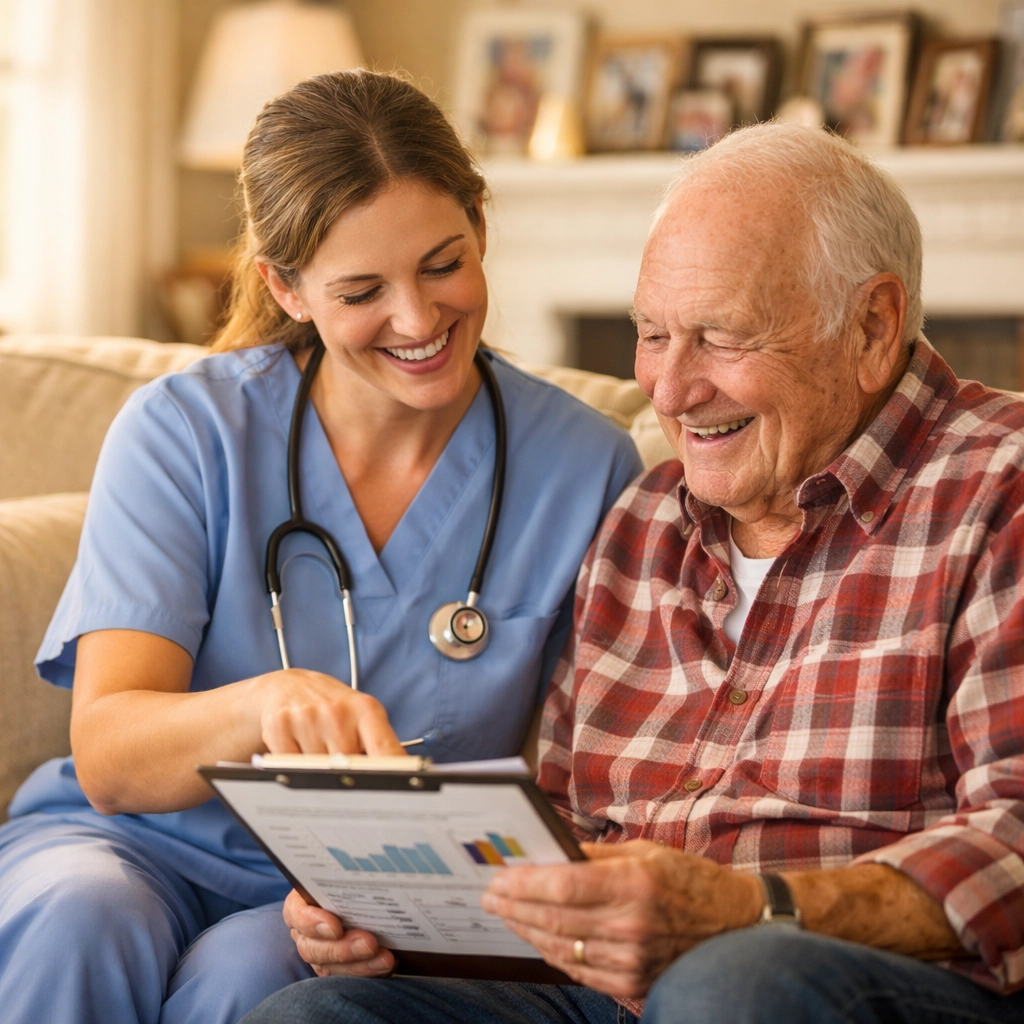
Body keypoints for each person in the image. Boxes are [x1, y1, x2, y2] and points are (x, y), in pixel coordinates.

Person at [241, 123, 1024, 1024]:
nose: (669, 388)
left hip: (839, 980)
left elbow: (1014, 838)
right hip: (600, 988)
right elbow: (563, 832)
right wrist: (398, 909)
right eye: (652, 335)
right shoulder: (644, 521)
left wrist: (744, 912)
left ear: (873, 327)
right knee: (316, 1013)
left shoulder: (998, 491)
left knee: (730, 986)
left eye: (722, 338)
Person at [0, 70, 642, 1024]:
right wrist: (264, 704)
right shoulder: (186, 432)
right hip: (132, 842)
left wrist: (419, 896)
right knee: (82, 920)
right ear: (285, 289)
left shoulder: (587, 466)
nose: (420, 321)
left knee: (253, 982)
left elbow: (585, 786)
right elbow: (111, 756)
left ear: (479, 223)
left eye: (442, 263)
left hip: (369, 884)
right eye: (360, 291)